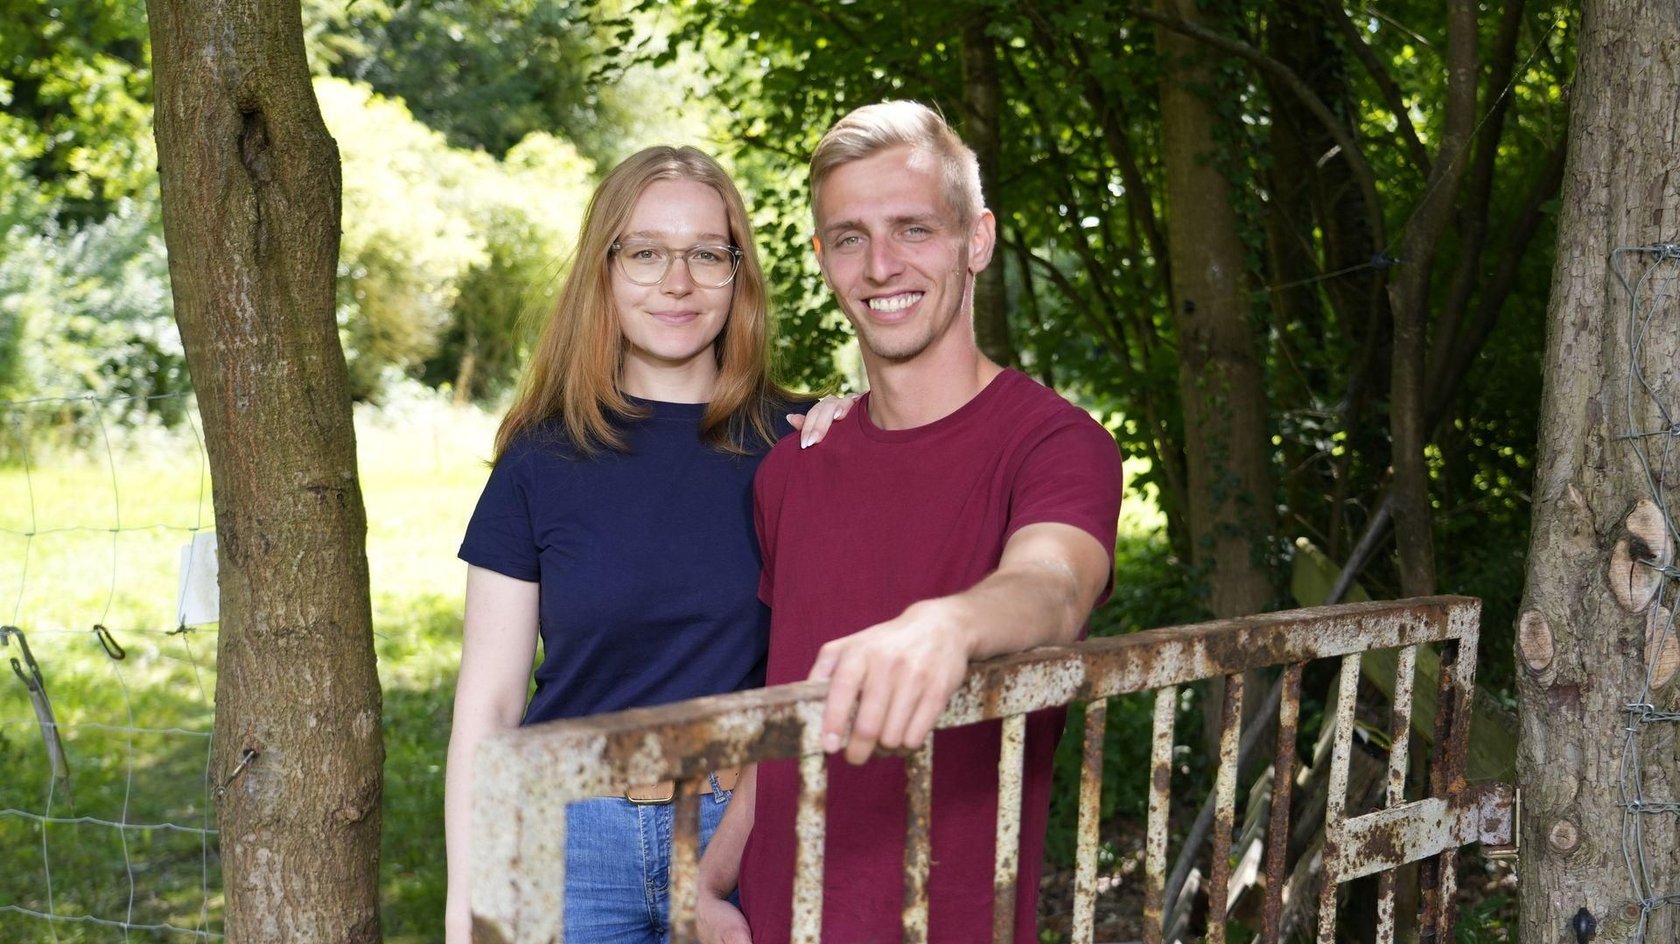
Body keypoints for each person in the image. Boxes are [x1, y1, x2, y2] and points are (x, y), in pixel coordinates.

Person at [696, 101, 1124, 943]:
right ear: (822, 259)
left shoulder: (1057, 444)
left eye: (914, 229)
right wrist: (710, 883)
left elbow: (1055, 584)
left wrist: (950, 624)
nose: (881, 265)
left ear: (978, 240)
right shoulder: (793, 471)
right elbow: (790, 708)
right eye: (850, 237)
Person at [443, 145, 852, 944]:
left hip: (747, 835)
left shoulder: (803, 444)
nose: (678, 281)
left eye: (707, 253)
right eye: (646, 253)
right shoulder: (539, 461)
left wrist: (857, 440)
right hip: (569, 840)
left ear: (740, 274)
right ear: (605, 269)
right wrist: (471, 902)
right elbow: (487, 708)